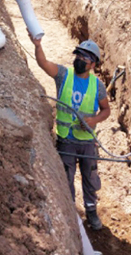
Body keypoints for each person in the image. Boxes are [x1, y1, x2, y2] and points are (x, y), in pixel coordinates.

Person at [29, 36, 111, 231]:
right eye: (79, 55)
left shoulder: (97, 85)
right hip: (66, 140)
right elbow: (43, 63)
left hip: (87, 142)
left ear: (92, 64)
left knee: (90, 177)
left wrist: (94, 121)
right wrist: (38, 45)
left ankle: (91, 211)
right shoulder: (64, 75)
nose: (80, 59)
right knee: (66, 178)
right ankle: (71, 213)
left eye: (84, 57)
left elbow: (106, 110)